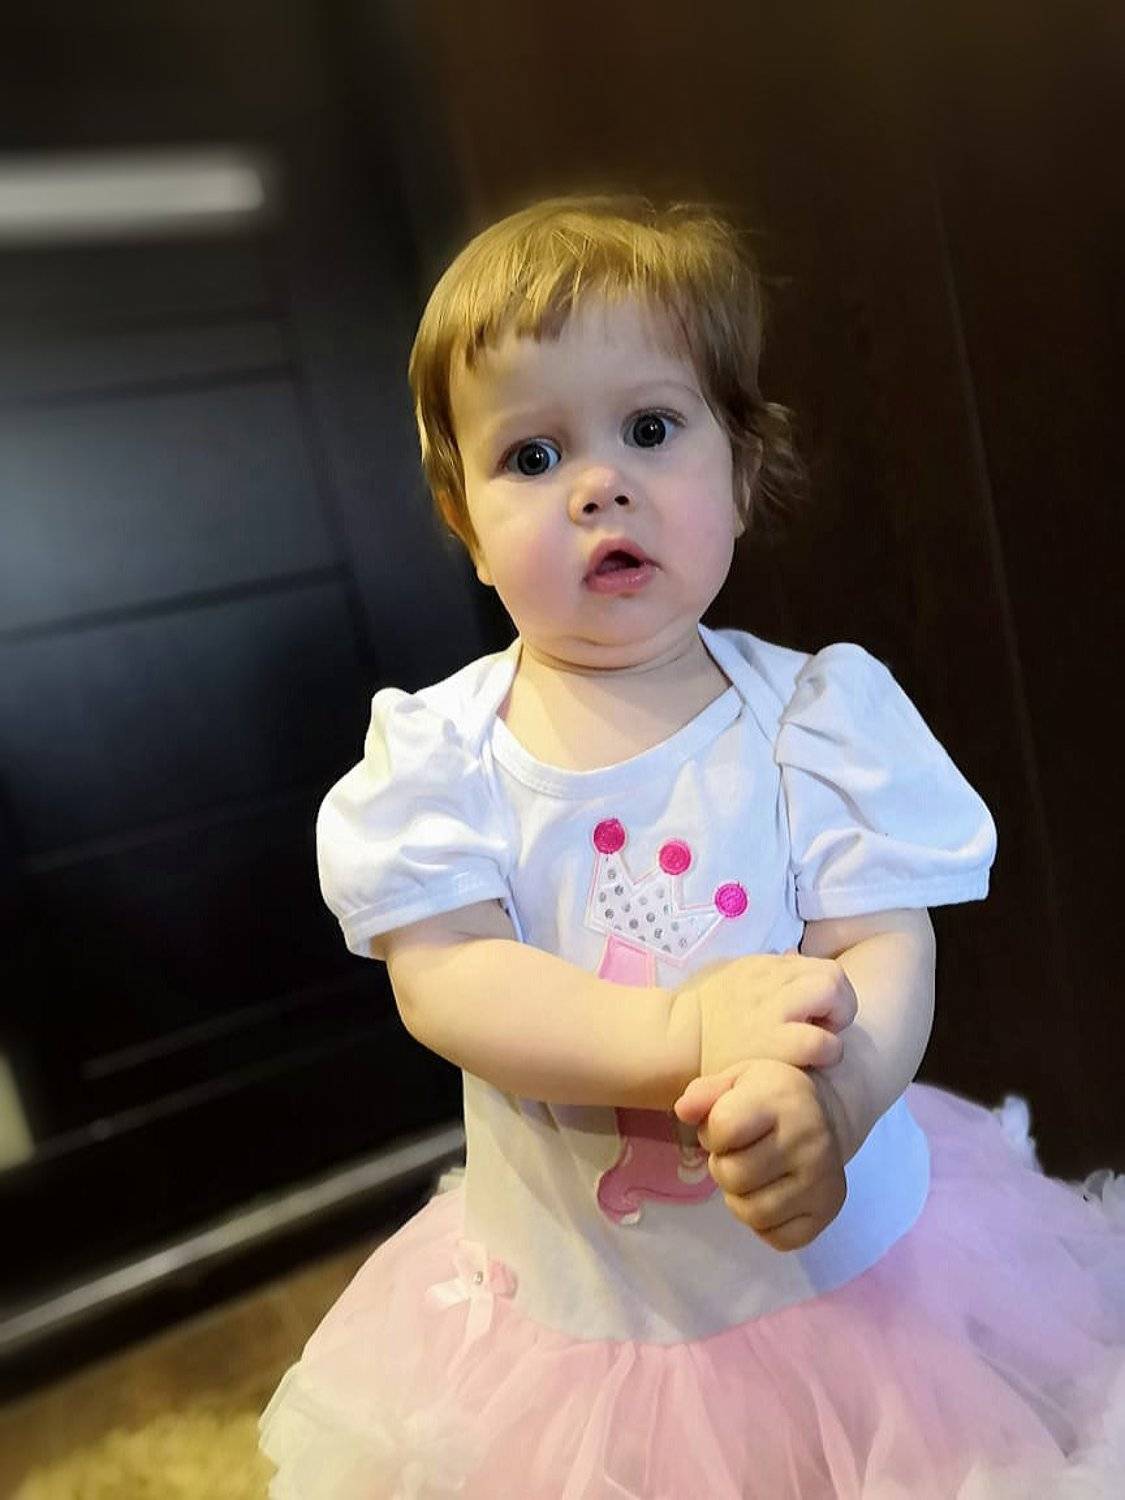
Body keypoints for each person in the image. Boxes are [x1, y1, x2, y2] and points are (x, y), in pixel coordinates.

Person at [259, 196, 1124, 1498]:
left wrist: (838, 1101)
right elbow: (446, 978)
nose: (599, 483)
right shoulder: (441, 760)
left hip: (859, 1274)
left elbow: (883, 945)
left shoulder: (817, 720)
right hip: (590, 1313)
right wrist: (685, 1033)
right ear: (463, 520)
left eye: (651, 430)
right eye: (532, 455)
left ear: (741, 469)